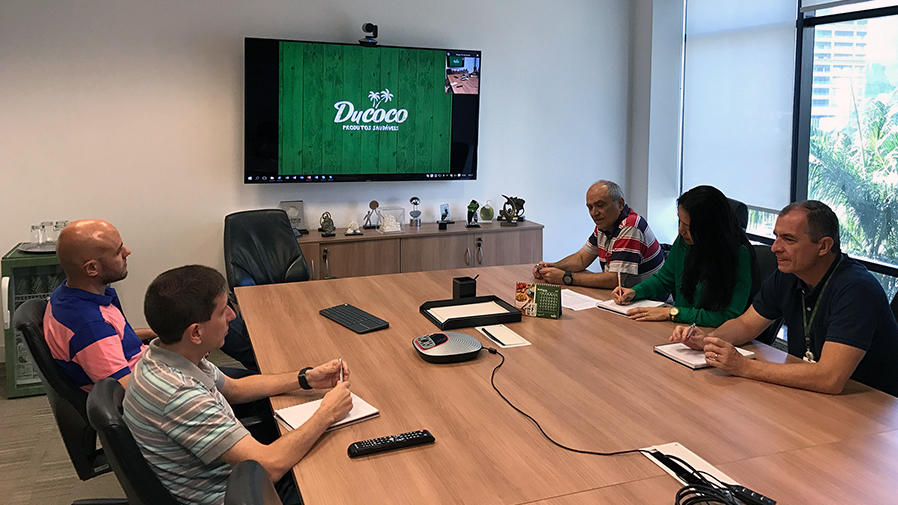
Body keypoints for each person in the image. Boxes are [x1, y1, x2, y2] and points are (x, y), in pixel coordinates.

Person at [124, 265, 352, 505]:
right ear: (196, 333)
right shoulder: (179, 393)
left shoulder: (167, 353)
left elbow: (235, 389)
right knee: (341, 477)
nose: (232, 317)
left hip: (234, 476)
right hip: (236, 495)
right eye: (224, 312)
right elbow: (269, 466)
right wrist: (326, 414)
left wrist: (305, 378)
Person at [670, 201, 898, 396]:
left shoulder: (856, 289)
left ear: (824, 246)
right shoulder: (789, 275)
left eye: (788, 239)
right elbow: (746, 324)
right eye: (776, 237)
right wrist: (709, 340)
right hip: (812, 394)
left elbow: (830, 377)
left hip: (871, 406)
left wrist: (744, 367)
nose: (775, 248)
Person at [612, 186, 756, 326]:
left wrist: (672, 313)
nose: (681, 230)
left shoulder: (739, 254)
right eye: (679, 222)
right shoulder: (685, 242)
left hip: (713, 335)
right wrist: (635, 292)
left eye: (688, 227)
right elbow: (664, 280)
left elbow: (729, 317)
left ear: (708, 228)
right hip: (680, 328)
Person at [43, 219, 152, 390]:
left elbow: (114, 339)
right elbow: (126, 392)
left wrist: (159, 334)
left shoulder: (67, 294)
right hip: (140, 393)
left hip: (143, 366)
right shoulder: (90, 326)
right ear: (92, 268)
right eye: (118, 251)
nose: (127, 252)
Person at [534, 180, 663, 289]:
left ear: (620, 204)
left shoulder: (630, 226)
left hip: (651, 303)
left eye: (600, 205)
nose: (594, 213)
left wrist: (566, 278)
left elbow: (616, 279)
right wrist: (551, 267)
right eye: (590, 207)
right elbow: (581, 259)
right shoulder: (605, 226)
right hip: (625, 299)